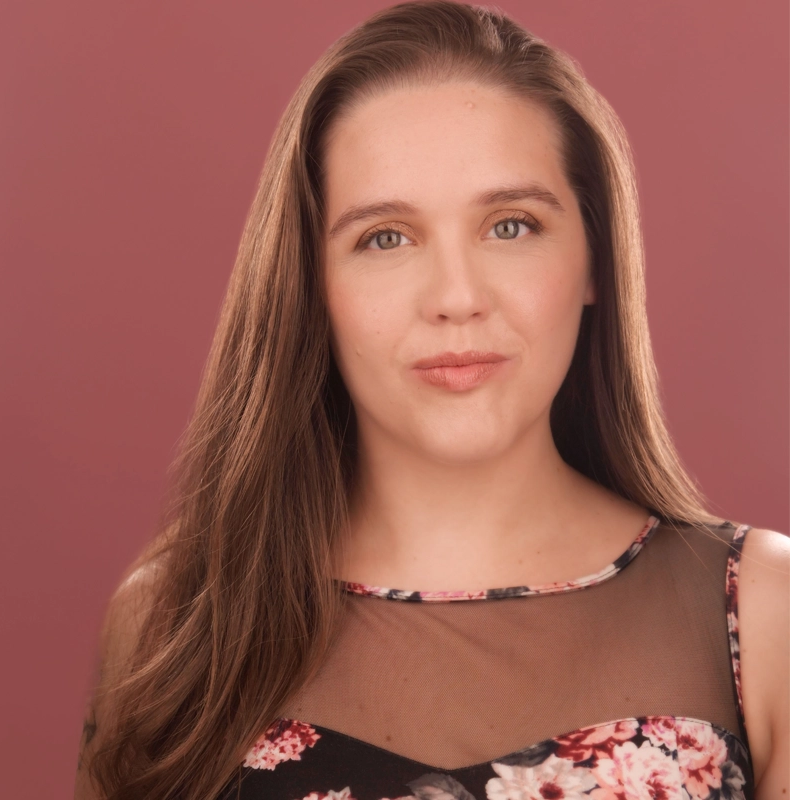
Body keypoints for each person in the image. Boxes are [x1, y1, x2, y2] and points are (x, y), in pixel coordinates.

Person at [73, 2, 789, 799]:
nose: (455, 297)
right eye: (386, 237)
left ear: (595, 260)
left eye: (511, 226)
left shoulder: (769, 618)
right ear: (312, 288)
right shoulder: (172, 627)